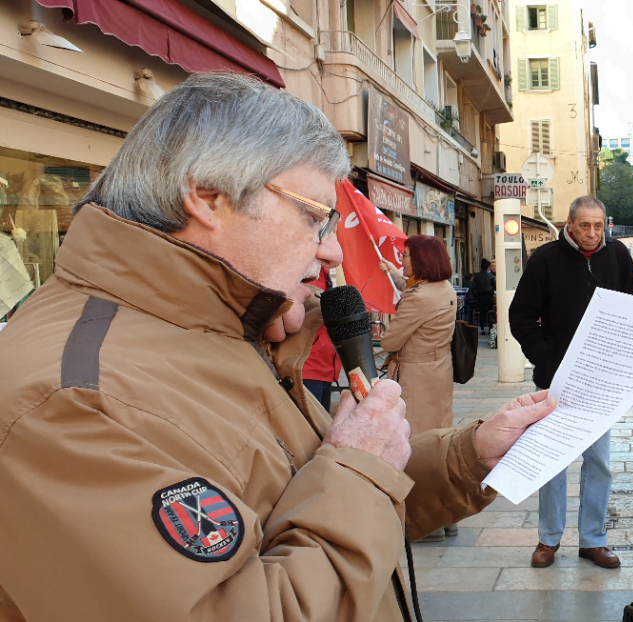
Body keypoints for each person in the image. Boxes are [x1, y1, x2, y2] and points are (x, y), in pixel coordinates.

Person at [0, 74, 557, 622]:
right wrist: (362, 466)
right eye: (314, 218)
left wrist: (469, 456)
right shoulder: (69, 402)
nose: (333, 252)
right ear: (208, 195)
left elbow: (305, 508)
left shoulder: (226, 331)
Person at [510, 196, 633, 570]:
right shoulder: (545, 260)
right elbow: (521, 317)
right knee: (553, 460)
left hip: (602, 382)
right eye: (585, 225)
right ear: (569, 224)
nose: (593, 233)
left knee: (599, 462)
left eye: (599, 225)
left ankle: (593, 540)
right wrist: (547, 358)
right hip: (556, 381)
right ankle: (548, 539)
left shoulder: (617, 257)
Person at [381, 235, 459, 543]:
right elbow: (414, 291)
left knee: (415, 447)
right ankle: (448, 517)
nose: (403, 260)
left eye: (408, 256)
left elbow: (390, 341)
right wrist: (393, 274)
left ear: (423, 261)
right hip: (438, 372)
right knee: (439, 445)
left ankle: (427, 522)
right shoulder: (444, 289)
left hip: (414, 377)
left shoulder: (419, 298)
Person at [302, 266, 340, 411]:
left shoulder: (323, 272)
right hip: (309, 364)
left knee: (322, 426)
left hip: (326, 367)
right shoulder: (306, 270)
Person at [471, 258, 496, 333]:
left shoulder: (477, 276)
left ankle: (482, 328)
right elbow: (494, 286)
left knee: (482, 312)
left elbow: (473, 287)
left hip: (480, 296)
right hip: (489, 295)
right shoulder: (491, 276)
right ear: (488, 267)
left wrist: (476, 295)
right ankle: (490, 327)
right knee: (490, 312)